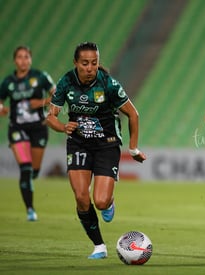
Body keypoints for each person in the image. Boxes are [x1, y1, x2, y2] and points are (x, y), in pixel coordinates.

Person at [46, 42, 146, 259]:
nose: (90, 68)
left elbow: (133, 114)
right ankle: (99, 245)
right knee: (81, 197)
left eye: (94, 63)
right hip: (78, 144)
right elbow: (50, 115)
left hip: (106, 144)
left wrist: (134, 148)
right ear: (76, 63)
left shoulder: (108, 84)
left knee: (100, 201)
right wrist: (64, 127)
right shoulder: (66, 82)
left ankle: (109, 201)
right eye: (85, 63)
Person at [0, 46, 55, 221]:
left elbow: (58, 95)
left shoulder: (40, 77)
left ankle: (32, 179)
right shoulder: (8, 82)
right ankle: (30, 209)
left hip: (38, 127)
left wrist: (42, 102)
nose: (23, 60)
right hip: (17, 128)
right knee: (25, 167)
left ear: (30, 59)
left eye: (26, 57)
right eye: (20, 57)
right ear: (15, 60)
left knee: (34, 171)